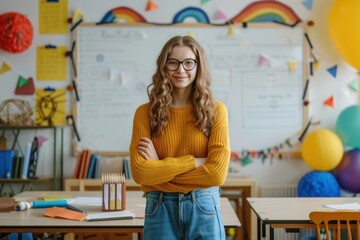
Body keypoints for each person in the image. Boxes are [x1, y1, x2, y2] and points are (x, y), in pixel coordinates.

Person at [129, 35, 230, 240]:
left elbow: (217, 175)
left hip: (203, 207)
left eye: (188, 63)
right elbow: (140, 173)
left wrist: (159, 167)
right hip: (160, 207)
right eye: (173, 62)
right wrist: (195, 161)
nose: (181, 70)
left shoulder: (217, 111)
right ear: (164, 66)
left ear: (198, 66)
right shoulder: (145, 113)